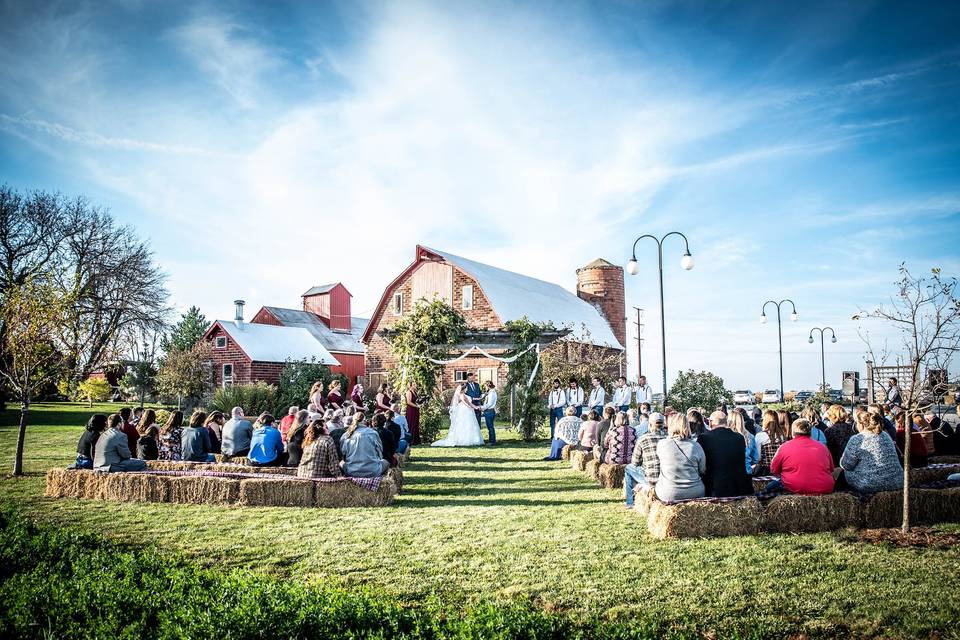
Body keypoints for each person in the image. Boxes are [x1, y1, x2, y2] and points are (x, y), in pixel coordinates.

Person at [839, 412, 903, 493]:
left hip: (871, 484)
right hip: (897, 481)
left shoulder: (857, 439)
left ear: (861, 424)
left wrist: (841, 461)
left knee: (844, 472)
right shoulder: (886, 435)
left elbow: (846, 465)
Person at [768, 419, 834, 495]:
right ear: (810, 432)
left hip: (794, 487)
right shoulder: (823, 447)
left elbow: (774, 469)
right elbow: (831, 469)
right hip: (824, 487)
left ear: (792, 432)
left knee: (770, 486)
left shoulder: (784, 447)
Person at [697, 411, 752, 497]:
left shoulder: (703, 438)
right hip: (739, 488)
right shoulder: (739, 437)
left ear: (711, 422)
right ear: (726, 422)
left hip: (715, 489)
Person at [654, 413, 706, 502]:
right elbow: (702, 470)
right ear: (687, 426)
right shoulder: (696, 446)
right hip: (695, 492)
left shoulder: (662, 444)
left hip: (669, 493)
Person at [624, 412, 666, 507]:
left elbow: (635, 462)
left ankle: (630, 502)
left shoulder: (643, 439)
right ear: (663, 424)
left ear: (650, 424)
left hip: (650, 478)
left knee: (628, 468)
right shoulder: (669, 438)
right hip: (667, 478)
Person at [753, 410, 788, 476]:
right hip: (781, 470)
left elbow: (758, 458)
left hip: (766, 471)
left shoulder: (760, 436)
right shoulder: (782, 435)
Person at [405, 380, 422, 445]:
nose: (416, 385)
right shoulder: (408, 392)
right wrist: (416, 406)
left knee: (415, 424)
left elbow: (416, 400)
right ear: (410, 385)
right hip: (411, 410)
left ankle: (416, 440)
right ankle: (411, 440)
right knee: (411, 423)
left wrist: (419, 403)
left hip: (415, 409)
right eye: (414, 384)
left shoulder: (415, 392)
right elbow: (408, 402)